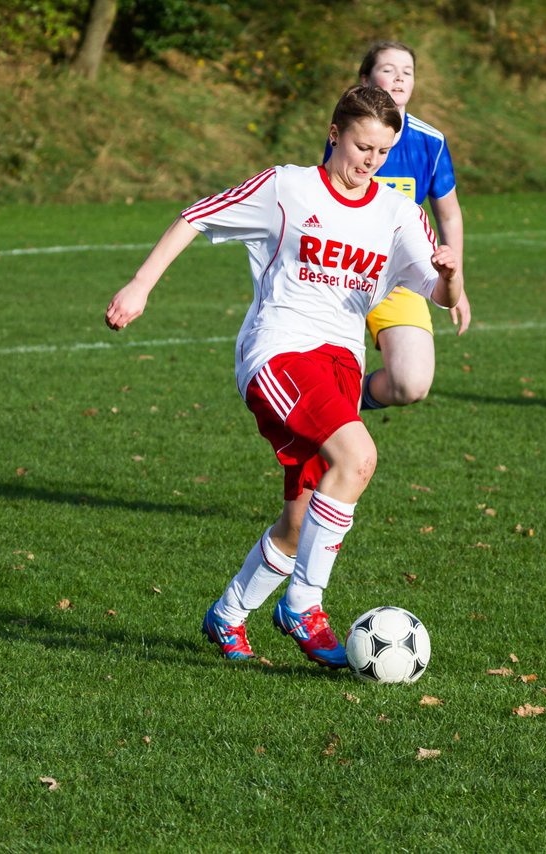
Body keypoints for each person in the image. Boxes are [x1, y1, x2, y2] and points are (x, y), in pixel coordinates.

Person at [106, 85, 462, 668]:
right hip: (279, 353)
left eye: (381, 151)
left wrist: (450, 275)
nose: (368, 161)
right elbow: (196, 216)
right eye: (360, 146)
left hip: (341, 365)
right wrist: (139, 286)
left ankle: (227, 615)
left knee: (299, 520)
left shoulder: (400, 214)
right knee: (358, 458)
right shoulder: (287, 187)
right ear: (334, 132)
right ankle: (303, 603)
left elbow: (439, 294)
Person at [327, 40, 471, 411]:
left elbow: (449, 213)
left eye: (407, 72)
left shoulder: (430, 141)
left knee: (411, 384)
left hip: (399, 276)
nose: (399, 78)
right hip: (344, 269)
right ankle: (324, 404)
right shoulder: (346, 135)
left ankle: (339, 399)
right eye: (388, 69)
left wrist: (456, 279)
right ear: (364, 79)